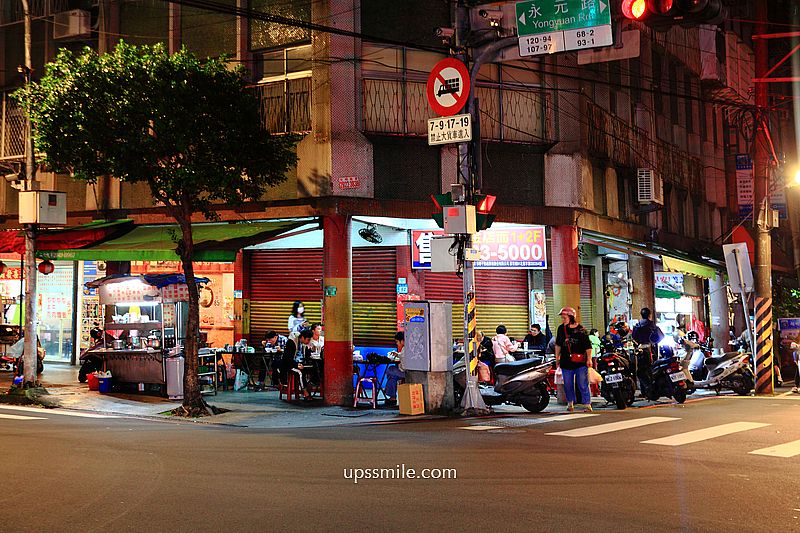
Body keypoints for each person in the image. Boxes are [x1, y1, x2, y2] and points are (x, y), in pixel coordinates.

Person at [554, 307, 593, 412]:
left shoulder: (581, 330)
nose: (563, 320)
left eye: (564, 317)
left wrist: (589, 359)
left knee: (582, 383)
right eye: (562, 318)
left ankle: (587, 404)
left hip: (580, 362)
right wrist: (557, 357)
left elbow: (588, 346)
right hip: (566, 361)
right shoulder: (561, 329)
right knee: (567, 383)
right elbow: (558, 344)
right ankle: (570, 403)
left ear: (571, 317)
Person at [280, 328, 315, 400]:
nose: (308, 342)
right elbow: (287, 359)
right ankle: (305, 392)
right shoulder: (291, 342)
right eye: (308, 340)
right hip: (289, 365)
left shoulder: (303, 344)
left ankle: (309, 386)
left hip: (299, 363)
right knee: (300, 373)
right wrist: (296, 365)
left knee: (313, 369)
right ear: (302, 337)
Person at [384, 331, 406, 406]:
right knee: (392, 377)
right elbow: (402, 356)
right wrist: (397, 355)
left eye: (397, 341)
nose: (396, 343)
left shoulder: (406, 349)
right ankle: (392, 398)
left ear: (402, 341)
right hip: (403, 370)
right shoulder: (405, 349)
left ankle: (388, 392)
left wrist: (397, 356)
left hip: (406, 372)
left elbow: (403, 358)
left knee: (390, 370)